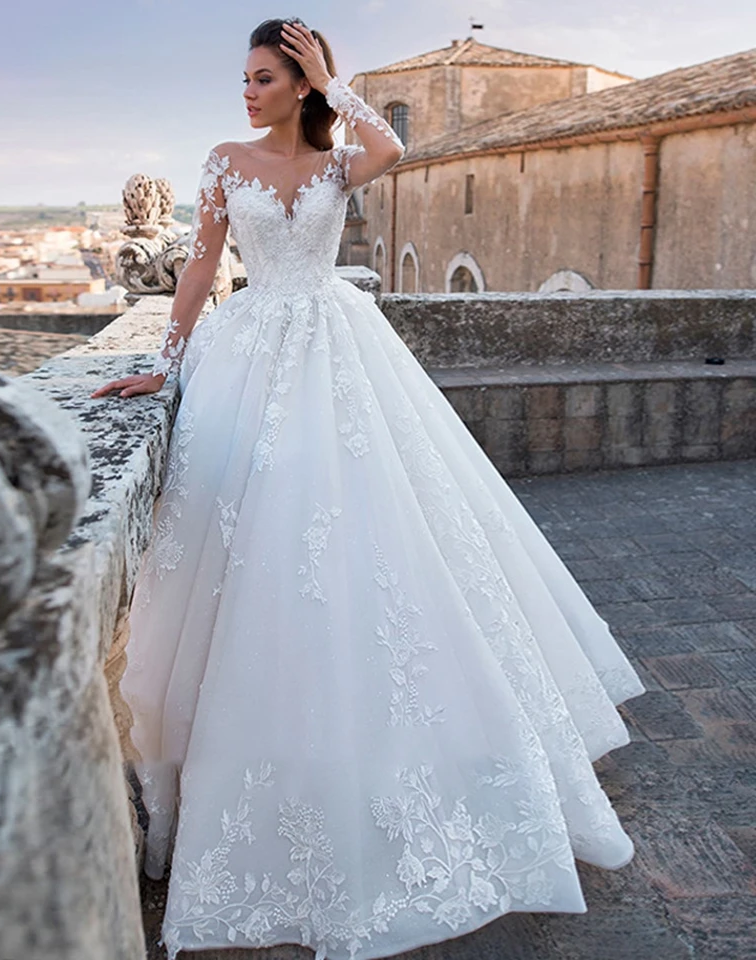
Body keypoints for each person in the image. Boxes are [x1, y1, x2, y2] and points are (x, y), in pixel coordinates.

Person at [92, 17, 645, 960]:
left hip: (336, 355)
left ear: (300, 82)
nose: (249, 90)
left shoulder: (342, 159)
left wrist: (331, 83)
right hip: (250, 354)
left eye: (266, 76)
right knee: (253, 543)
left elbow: (393, 145)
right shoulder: (223, 160)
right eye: (248, 76)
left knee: (367, 540)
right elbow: (196, 266)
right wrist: (165, 363)